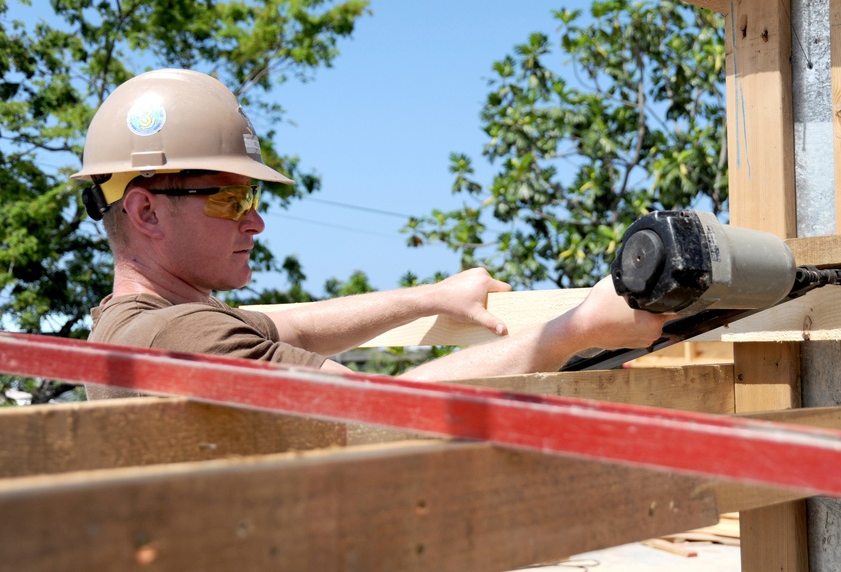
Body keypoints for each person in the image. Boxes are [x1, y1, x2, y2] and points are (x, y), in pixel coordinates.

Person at [73, 68, 670, 397]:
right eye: (230, 198)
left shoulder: (136, 321)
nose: (255, 220)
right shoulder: (184, 335)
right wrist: (576, 330)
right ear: (146, 212)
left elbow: (297, 325)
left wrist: (427, 298)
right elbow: (381, 409)